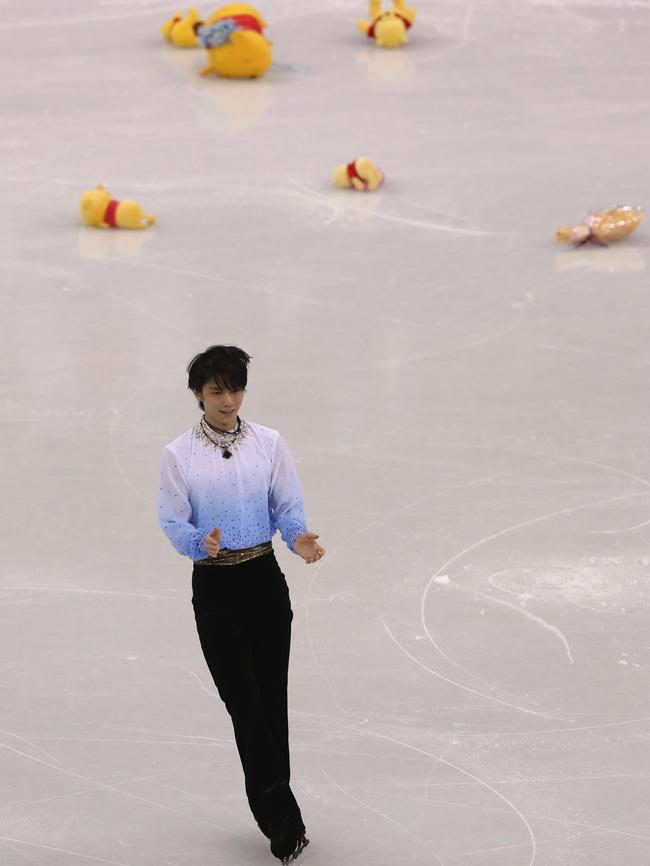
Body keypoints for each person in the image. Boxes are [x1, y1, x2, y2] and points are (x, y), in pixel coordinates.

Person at [157, 345, 324, 865]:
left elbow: (286, 506)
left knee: (271, 700)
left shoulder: (269, 444)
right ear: (197, 395)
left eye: (235, 388)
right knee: (245, 705)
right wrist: (194, 543)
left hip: (265, 581)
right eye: (216, 391)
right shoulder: (178, 454)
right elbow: (171, 520)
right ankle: (280, 814)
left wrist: (297, 538)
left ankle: (280, 816)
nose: (228, 399)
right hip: (215, 589)